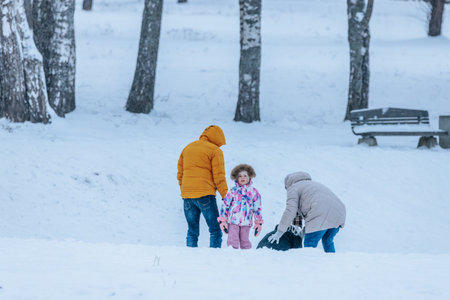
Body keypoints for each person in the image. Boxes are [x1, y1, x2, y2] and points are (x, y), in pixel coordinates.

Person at [268, 171, 346, 253]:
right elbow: (297, 212)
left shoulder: (293, 188)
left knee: (309, 245)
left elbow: (291, 210)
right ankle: (333, 263)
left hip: (320, 212)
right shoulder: (312, 185)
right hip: (339, 213)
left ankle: (309, 265)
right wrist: (299, 230)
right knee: (327, 240)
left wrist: (279, 232)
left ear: (287, 184)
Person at [177, 125, 228, 248]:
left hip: (187, 196)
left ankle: (191, 256)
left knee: (192, 231)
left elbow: (180, 174)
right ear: (216, 138)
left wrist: (185, 190)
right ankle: (214, 257)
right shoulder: (215, 151)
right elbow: (219, 177)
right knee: (215, 229)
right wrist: (226, 197)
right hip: (205, 195)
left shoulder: (187, 148)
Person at [217, 164, 263, 249]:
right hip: (233, 221)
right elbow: (225, 205)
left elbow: (257, 208)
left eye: (245, 175)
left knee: (245, 241)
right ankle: (232, 255)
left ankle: (245, 256)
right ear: (236, 178)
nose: (242, 177)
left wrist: (258, 222)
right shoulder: (233, 191)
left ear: (249, 177)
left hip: (246, 222)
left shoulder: (253, 192)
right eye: (240, 176)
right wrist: (223, 220)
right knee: (232, 240)